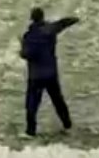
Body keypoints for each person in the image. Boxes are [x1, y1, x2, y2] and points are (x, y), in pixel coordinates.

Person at [20, 7, 79, 137]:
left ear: (32, 19)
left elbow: (25, 54)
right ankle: (67, 125)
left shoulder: (28, 36)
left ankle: (30, 131)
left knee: (32, 105)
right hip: (51, 74)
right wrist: (75, 19)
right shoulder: (50, 30)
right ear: (42, 17)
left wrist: (22, 48)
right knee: (58, 101)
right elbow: (63, 23)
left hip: (36, 76)